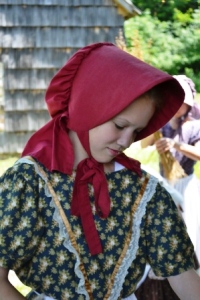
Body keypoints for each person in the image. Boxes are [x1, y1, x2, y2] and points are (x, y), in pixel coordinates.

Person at [0, 42, 200, 300]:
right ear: (88, 105)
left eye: (136, 131)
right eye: (120, 125)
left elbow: (184, 277)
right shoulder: (28, 182)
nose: (127, 141)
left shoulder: (145, 192)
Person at [141, 75, 200, 266]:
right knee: (166, 230)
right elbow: (143, 145)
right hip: (166, 186)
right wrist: (153, 130)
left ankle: (191, 271)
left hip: (186, 186)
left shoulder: (194, 126)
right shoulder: (163, 125)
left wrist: (176, 145)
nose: (177, 106)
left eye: (181, 103)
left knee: (189, 229)